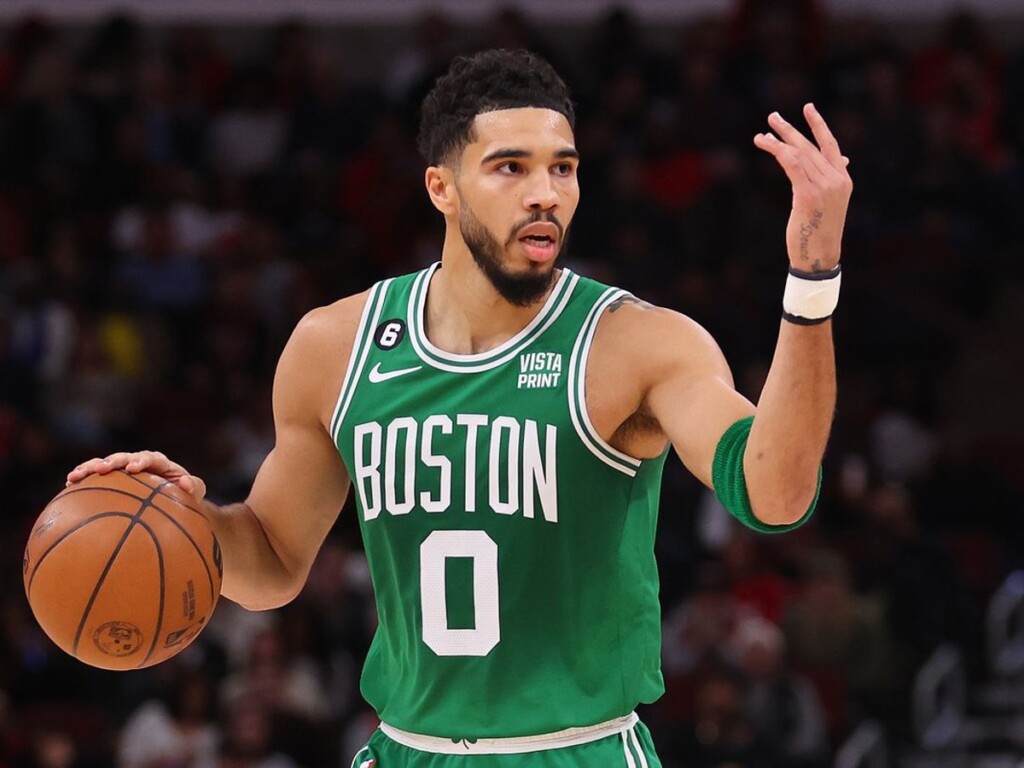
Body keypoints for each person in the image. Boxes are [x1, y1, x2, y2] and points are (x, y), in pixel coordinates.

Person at [68, 48, 852, 767]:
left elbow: (775, 497)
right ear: (441, 187)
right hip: (408, 748)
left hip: (577, 750)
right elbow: (271, 564)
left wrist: (811, 281)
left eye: (563, 168)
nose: (545, 194)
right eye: (510, 167)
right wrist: (187, 520)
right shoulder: (334, 345)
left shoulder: (637, 344)